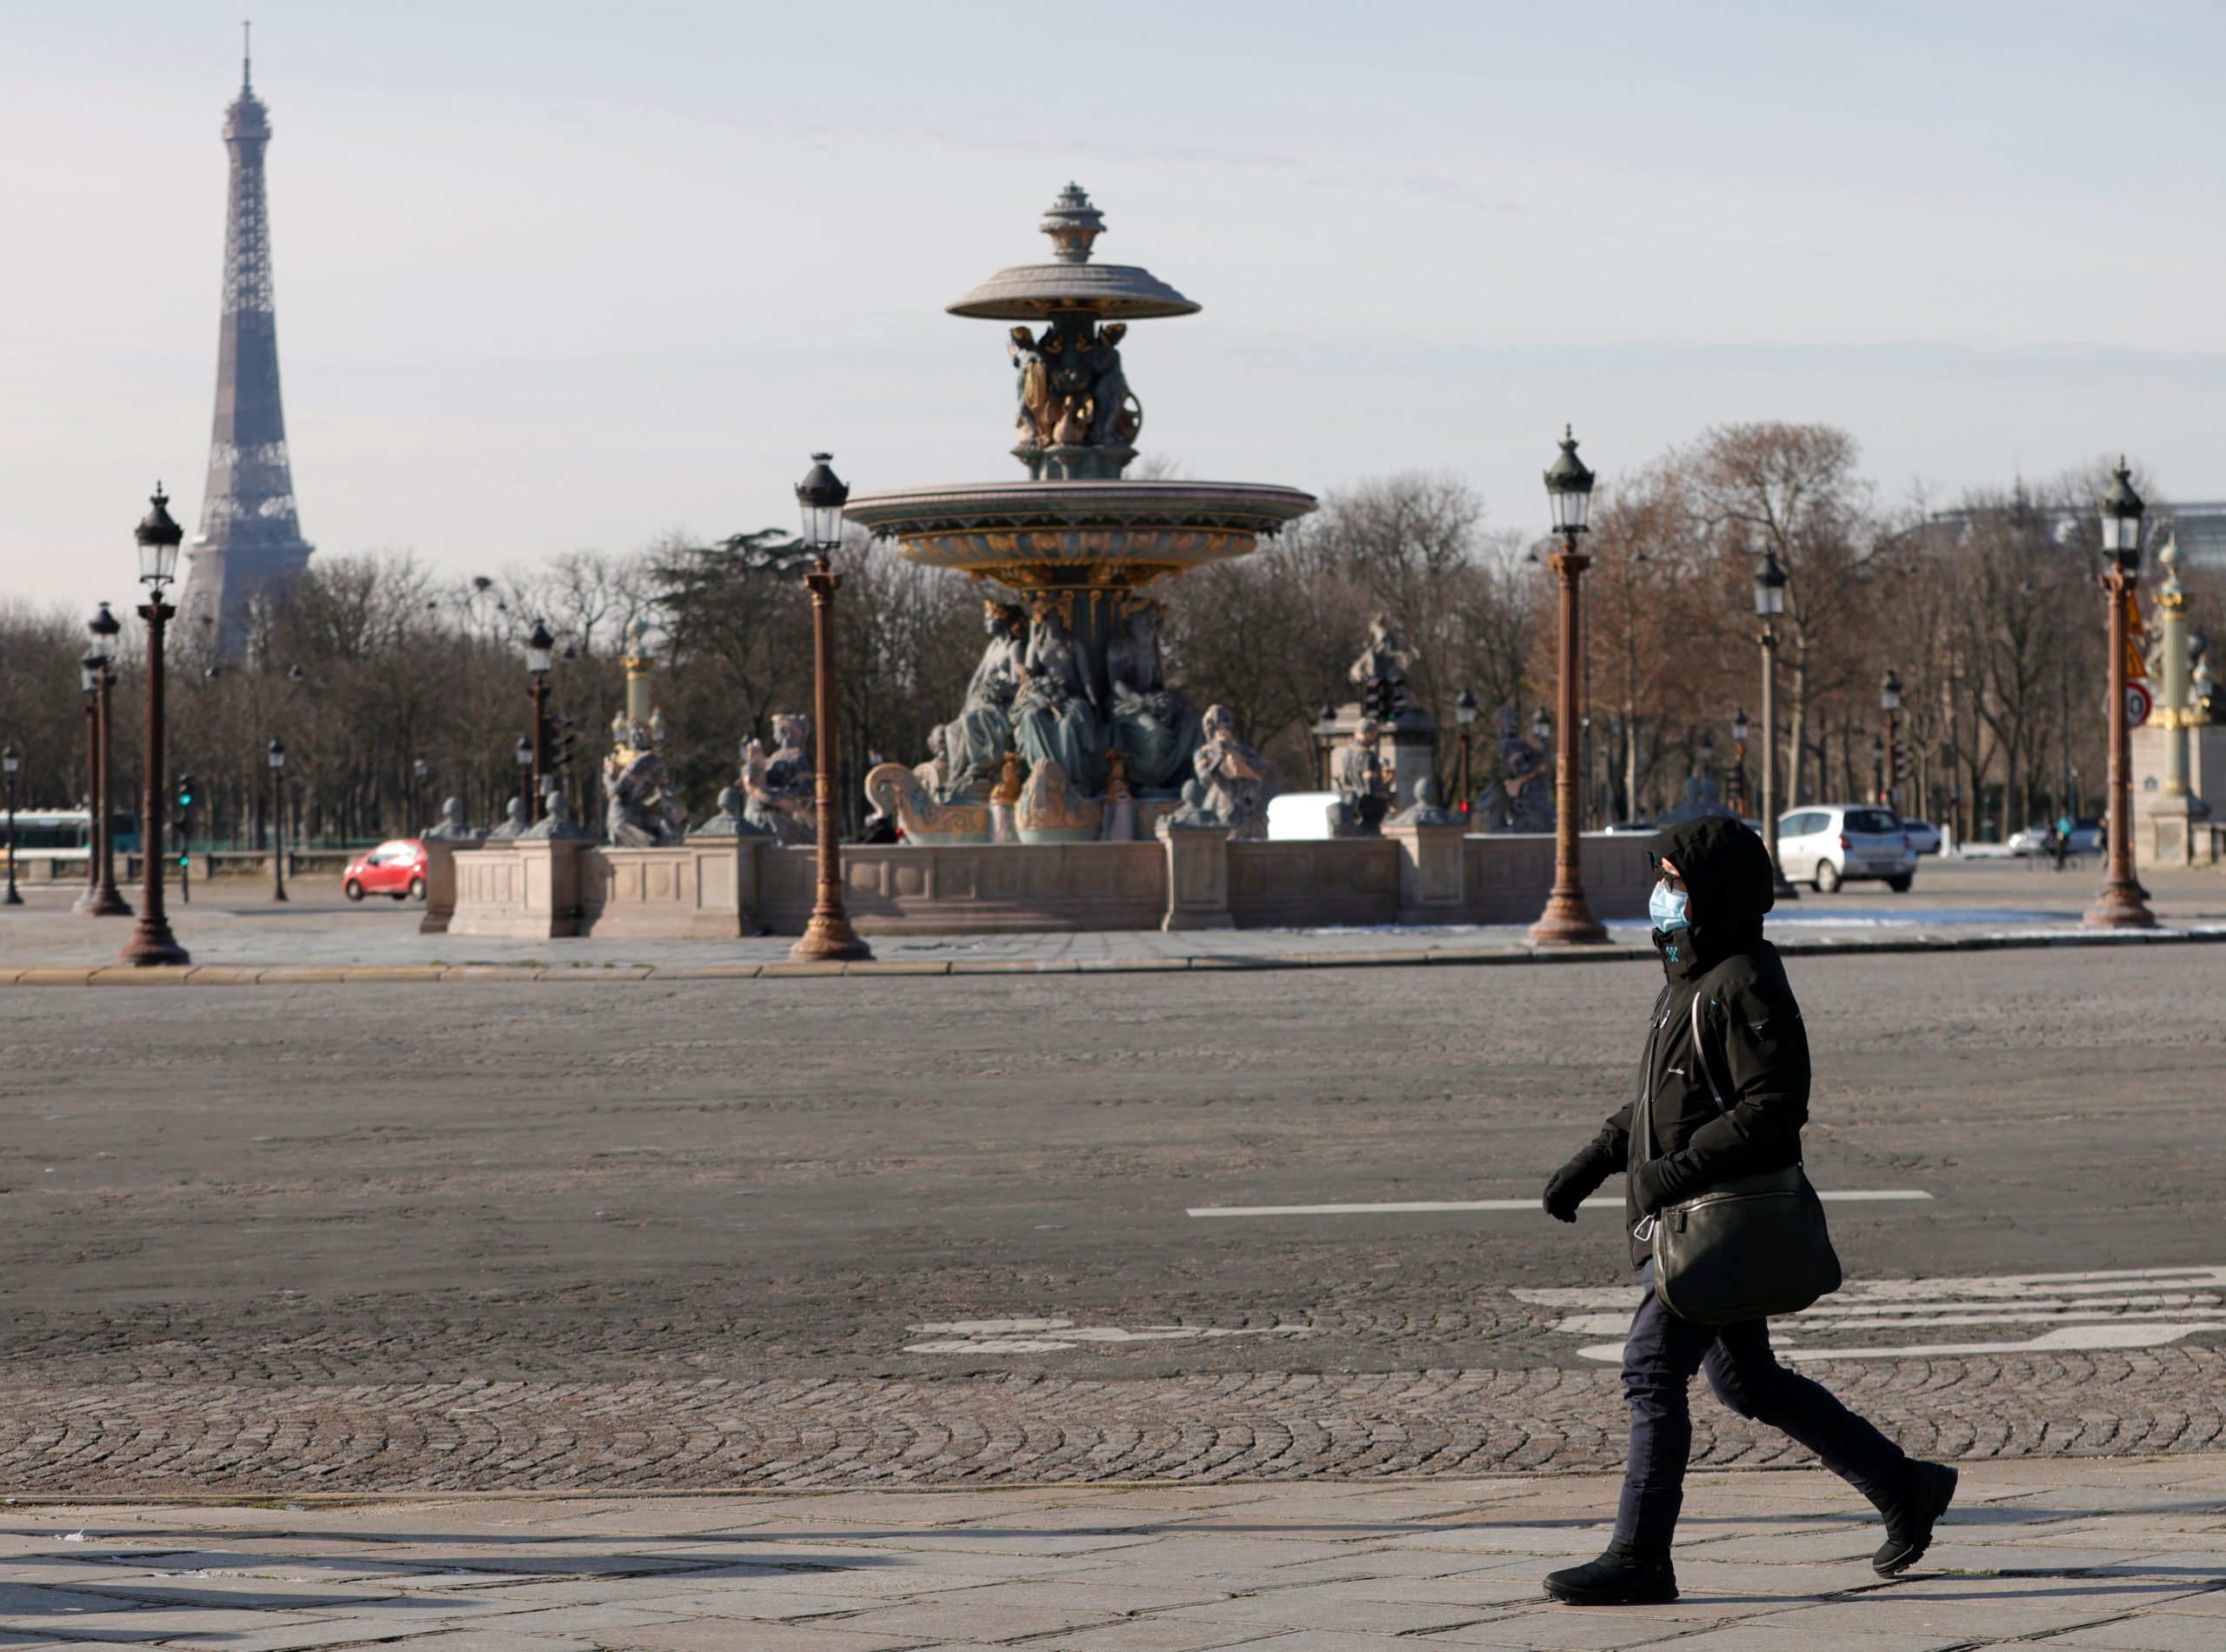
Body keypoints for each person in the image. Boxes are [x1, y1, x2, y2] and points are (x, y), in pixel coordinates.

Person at [1537, 816, 1957, 1607]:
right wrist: (1594, 1160)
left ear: (1713, 893)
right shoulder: (1690, 979)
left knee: (1652, 1368)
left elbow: (1774, 1106)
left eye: (1675, 882)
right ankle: (1904, 1486)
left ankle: (1640, 1555)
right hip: (1695, 1210)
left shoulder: (1742, 980)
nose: (1661, 896)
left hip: (1711, 1217)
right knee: (1747, 1381)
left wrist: (1667, 1175)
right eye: (1661, 880)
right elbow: (1664, 1102)